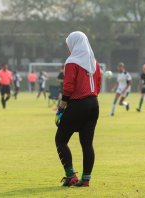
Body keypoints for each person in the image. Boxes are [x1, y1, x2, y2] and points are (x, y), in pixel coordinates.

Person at [55, 31, 101, 187]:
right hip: (94, 103)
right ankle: (86, 179)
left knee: (60, 140)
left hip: (77, 103)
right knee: (87, 144)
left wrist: (61, 106)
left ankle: (71, 176)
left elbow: (68, 87)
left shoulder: (72, 62)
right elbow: (98, 85)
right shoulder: (94, 63)